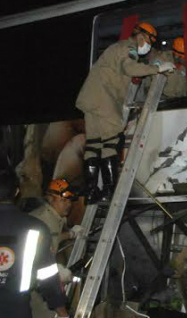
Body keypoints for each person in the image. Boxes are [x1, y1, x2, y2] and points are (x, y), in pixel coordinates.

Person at [76, 22, 175, 203]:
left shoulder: (116, 47)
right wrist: (157, 68)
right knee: (112, 142)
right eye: (149, 41)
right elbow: (128, 67)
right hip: (104, 99)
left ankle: (91, 191)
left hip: (90, 98)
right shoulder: (129, 47)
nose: (148, 46)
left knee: (93, 144)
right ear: (141, 36)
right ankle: (108, 191)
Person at [0, 169, 69, 318]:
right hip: (17, 310)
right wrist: (61, 311)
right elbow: (47, 276)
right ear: (17, 192)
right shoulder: (35, 227)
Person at [29, 179, 83, 318]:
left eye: (69, 201)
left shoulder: (55, 217)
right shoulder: (41, 220)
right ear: (51, 199)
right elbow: (35, 255)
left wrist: (70, 234)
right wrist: (56, 270)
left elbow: (54, 236)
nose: (68, 205)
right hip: (32, 285)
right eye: (63, 201)